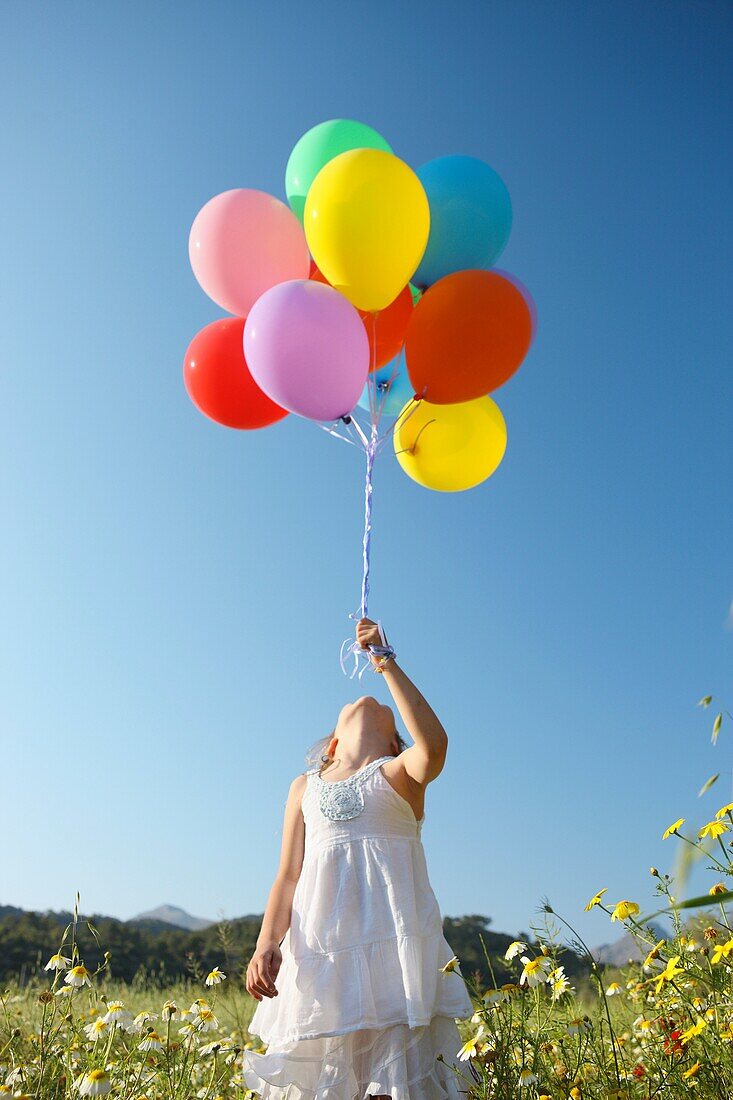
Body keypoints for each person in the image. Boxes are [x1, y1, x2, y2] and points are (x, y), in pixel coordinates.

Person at [242, 616, 473, 1100]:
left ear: (394, 745)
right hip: (322, 955)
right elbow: (287, 876)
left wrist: (386, 664)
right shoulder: (304, 787)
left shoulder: (398, 776)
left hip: (392, 953)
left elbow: (434, 745)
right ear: (331, 747)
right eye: (350, 711)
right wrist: (267, 943)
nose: (369, 704)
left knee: (390, 1082)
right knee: (329, 1081)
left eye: (387, 714)